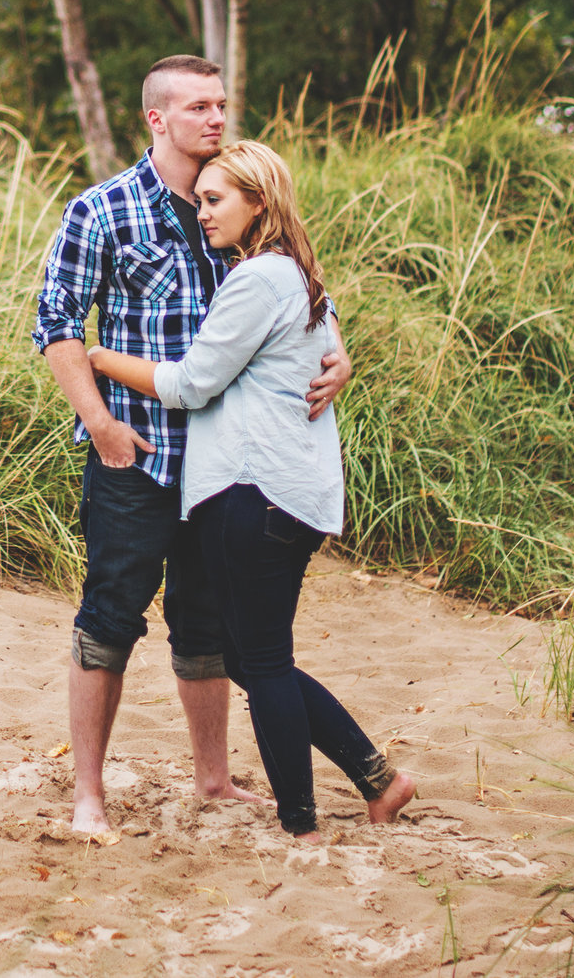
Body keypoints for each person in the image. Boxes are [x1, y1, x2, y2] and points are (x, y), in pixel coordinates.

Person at [34, 56, 352, 835]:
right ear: (157, 118)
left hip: (223, 467)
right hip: (137, 454)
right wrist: (102, 424)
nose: (216, 119)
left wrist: (340, 351)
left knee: (206, 626)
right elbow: (56, 324)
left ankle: (213, 778)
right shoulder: (103, 210)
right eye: (199, 107)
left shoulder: (237, 198)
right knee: (108, 616)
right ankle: (89, 794)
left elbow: (302, 290)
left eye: (220, 104)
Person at [88, 141, 416, 841]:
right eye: (200, 199)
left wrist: (97, 356)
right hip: (286, 492)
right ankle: (380, 781)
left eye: (215, 200)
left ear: (258, 202)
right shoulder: (296, 275)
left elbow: (191, 384)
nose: (202, 212)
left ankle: (301, 821)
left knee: (261, 659)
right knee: (251, 656)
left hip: (255, 489)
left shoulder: (257, 278)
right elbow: (321, 350)